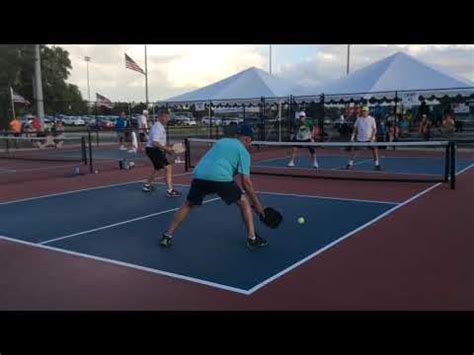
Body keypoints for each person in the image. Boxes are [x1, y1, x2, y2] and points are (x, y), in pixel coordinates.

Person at [160, 124, 268, 249]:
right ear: (248, 139)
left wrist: (213, 186)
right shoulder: (244, 152)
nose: (250, 145)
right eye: (251, 142)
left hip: (199, 174)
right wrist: (257, 205)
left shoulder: (222, 142)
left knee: (188, 204)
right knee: (243, 202)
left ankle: (167, 236)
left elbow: (217, 161)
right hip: (220, 177)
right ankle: (252, 239)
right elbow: (246, 183)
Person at [142, 109, 181, 197]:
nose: (166, 119)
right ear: (159, 117)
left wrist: (167, 150)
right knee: (168, 167)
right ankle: (170, 191)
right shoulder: (157, 127)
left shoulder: (160, 126)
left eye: (167, 117)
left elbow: (160, 142)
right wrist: (167, 149)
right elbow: (155, 143)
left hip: (154, 150)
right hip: (153, 150)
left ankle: (147, 185)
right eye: (164, 117)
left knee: (158, 169)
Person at [346, 105, 382, 170]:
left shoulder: (372, 119)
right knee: (355, 151)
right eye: (363, 111)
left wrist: (372, 138)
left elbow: (374, 129)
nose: (364, 112)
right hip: (360, 139)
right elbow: (355, 128)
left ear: (368, 112)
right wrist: (352, 137)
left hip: (370, 139)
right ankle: (350, 164)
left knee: (375, 151)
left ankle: (377, 165)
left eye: (365, 111)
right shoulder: (359, 119)